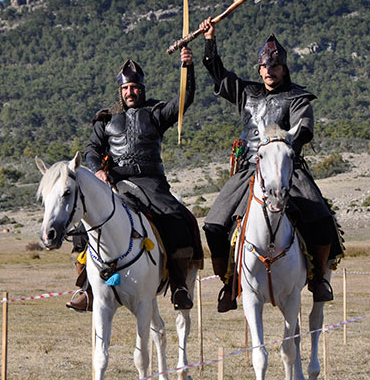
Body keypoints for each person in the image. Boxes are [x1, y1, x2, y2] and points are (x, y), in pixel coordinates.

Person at [198, 18, 344, 311]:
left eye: (274, 67)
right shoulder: (247, 93)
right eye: (264, 68)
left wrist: (284, 148)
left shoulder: (298, 97)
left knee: (321, 218)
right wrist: (210, 41)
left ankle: (318, 279)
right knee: (214, 224)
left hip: (287, 167)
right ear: (259, 69)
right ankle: (229, 283)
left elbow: (304, 130)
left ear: (284, 68)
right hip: (249, 168)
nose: (269, 72)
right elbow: (219, 75)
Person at [70, 46, 202, 312]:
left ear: (142, 88)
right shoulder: (105, 119)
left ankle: (178, 285)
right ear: (120, 90)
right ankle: (86, 288)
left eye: (134, 87)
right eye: (125, 88)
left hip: (151, 183)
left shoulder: (156, 112)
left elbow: (184, 100)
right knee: (85, 222)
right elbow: (92, 150)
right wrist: (97, 169)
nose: (130, 92)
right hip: (116, 182)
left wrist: (187, 66)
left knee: (175, 217)